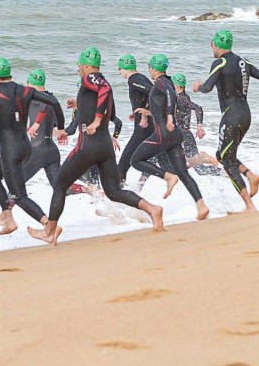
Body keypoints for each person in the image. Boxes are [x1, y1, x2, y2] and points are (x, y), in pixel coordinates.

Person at [29, 48, 163, 245]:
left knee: (59, 184)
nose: (78, 70)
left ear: (85, 65)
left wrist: (96, 120)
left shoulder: (91, 78)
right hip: (104, 147)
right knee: (113, 191)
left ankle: (49, 231)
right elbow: (111, 110)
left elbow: (104, 95)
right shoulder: (99, 82)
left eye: (78, 67)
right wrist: (81, 104)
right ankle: (153, 209)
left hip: (88, 146)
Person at [0, 57, 66, 236]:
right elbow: (54, 102)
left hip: (10, 150)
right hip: (26, 147)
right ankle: (6, 216)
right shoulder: (25, 90)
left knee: (19, 196)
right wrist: (62, 128)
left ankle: (50, 226)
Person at [192, 29, 259, 212]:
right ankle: (250, 176)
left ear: (217, 45)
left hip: (231, 115)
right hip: (246, 115)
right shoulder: (243, 62)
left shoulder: (220, 62)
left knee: (225, 159)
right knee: (224, 155)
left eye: (212, 44)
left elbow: (207, 87)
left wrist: (198, 86)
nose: (212, 47)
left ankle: (249, 204)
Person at [128, 55, 209, 220]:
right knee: (183, 172)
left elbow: (171, 97)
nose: (149, 70)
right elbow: (164, 106)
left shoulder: (161, 82)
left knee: (135, 160)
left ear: (154, 68)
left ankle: (167, 177)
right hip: (175, 134)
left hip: (163, 133)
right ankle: (201, 206)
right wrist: (148, 112)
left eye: (149, 67)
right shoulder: (169, 81)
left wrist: (170, 117)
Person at [22, 68, 73, 189]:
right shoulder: (52, 98)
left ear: (32, 84)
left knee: (16, 184)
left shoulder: (37, 97)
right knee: (61, 188)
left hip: (38, 151)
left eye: (28, 83)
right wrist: (61, 130)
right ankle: (89, 191)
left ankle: (5, 208)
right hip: (51, 151)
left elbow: (44, 105)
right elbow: (59, 115)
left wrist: (36, 123)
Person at [116, 55, 164, 184]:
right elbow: (149, 95)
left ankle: (119, 195)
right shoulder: (142, 77)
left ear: (123, 68)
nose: (119, 72)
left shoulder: (133, 80)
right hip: (150, 126)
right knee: (162, 161)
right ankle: (142, 186)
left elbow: (154, 91)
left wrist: (146, 113)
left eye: (119, 69)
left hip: (143, 128)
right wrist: (138, 112)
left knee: (123, 165)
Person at [171, 73, 221, 171]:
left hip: (185, 136)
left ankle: (208, 160)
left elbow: (198, 108)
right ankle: (206, 160)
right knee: (192, 167)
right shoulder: (180, 97)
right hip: (180, 135)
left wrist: (199, 127)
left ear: (176, 85)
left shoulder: (182, 98)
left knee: (198, 169)